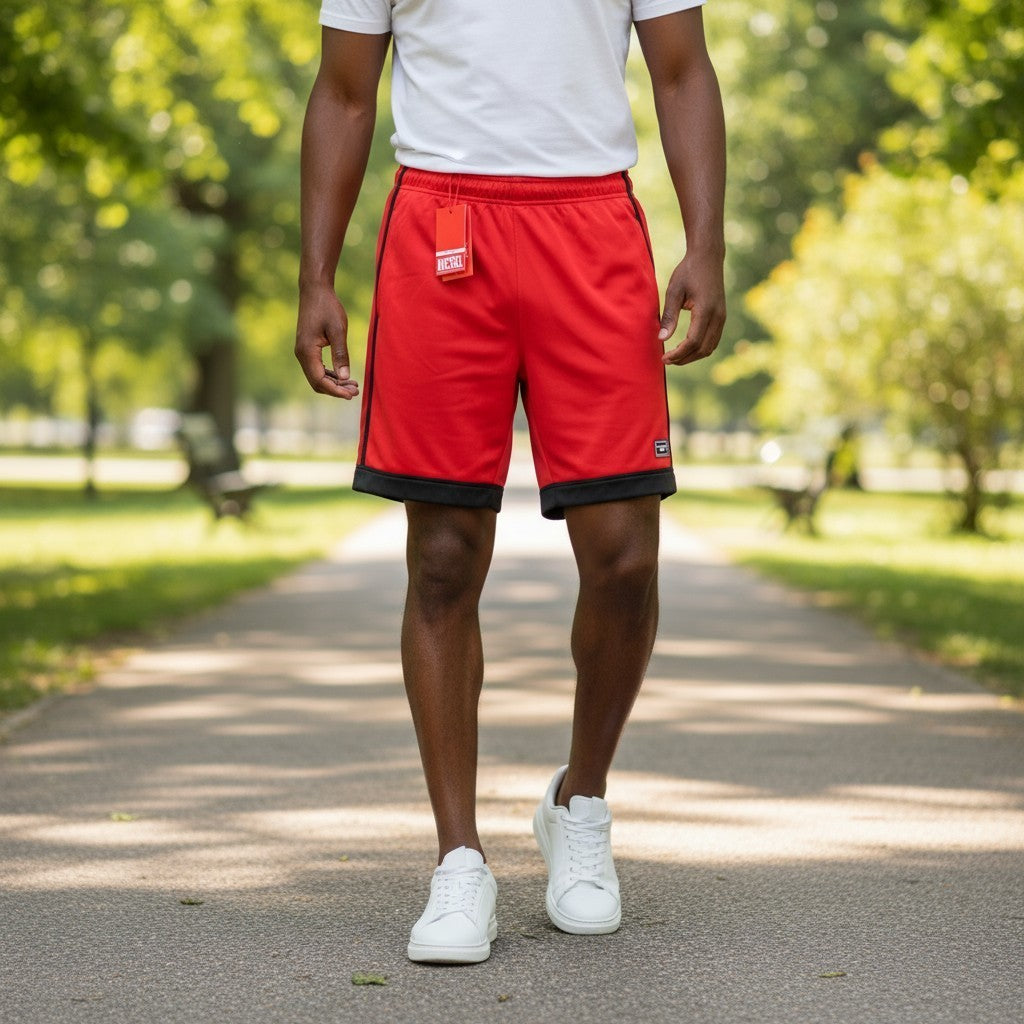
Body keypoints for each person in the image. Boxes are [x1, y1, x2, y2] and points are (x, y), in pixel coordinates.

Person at [295, 0, 726, 965]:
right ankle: (459, 861)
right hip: (442, 228)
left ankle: (580, 803)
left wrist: (706, 242)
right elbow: (345, 90)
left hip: (591, 227)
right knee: (443, 557)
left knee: (624, 556)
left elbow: (684, 72)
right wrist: (313, 275)